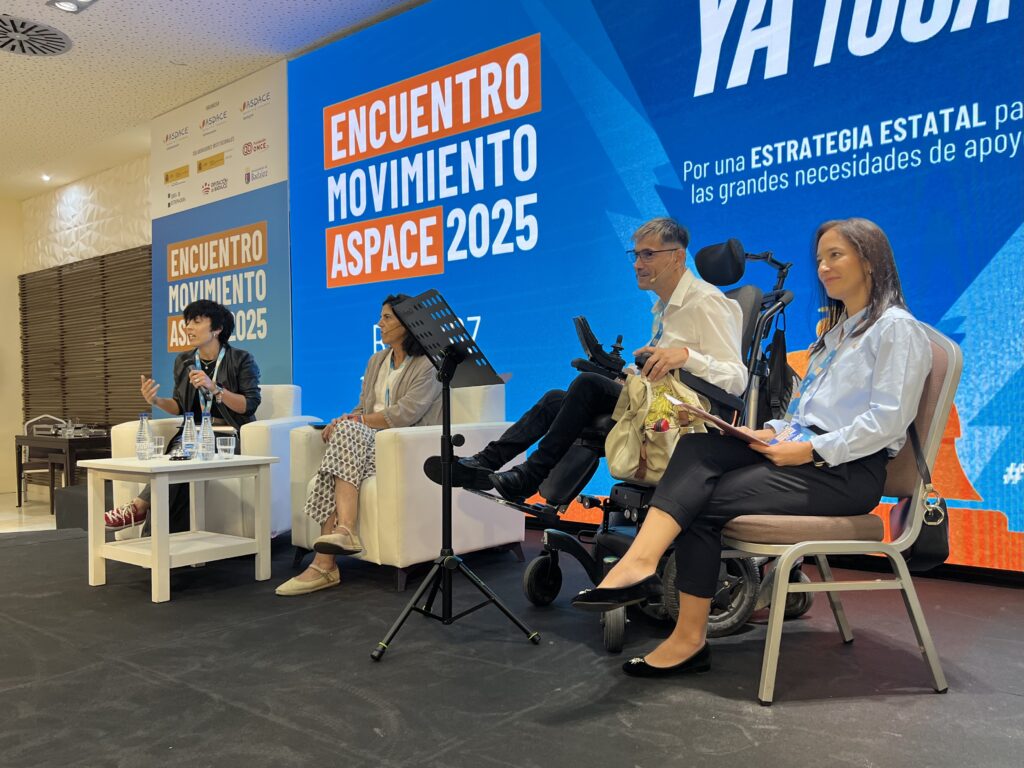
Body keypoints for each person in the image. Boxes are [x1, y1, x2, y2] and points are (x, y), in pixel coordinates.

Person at [572, 217, 932, 678]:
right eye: (819, 259)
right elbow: (808, 413)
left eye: (835, 256)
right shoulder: (837, 334)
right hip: (805, 451)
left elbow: (887, 421)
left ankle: (686, 638)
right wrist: (772, 431)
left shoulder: (897, 329)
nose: (823, 267)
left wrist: (811, 451)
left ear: (870, 260)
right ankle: (641, 564)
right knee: (699, 449)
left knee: (700, 502)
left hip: (846, 472)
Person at [456, 217, 747, 502]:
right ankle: (485, 461)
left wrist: (684, 356)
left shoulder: (707, 302)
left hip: (685, 417)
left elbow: (736, 379)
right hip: (655, 402)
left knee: (588, 385)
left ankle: (529, 476)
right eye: (636, 255)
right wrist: (629, 375)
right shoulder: (664, 308)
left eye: (648, 254)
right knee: (555, 399)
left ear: (677, 257)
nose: (637, 264)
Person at [276, 295, 442, 596]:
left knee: (340, 451)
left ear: (408, 323)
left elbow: (406, 413)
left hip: (402, 445)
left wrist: (356, 421)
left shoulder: (428, 364)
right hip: (366, 442)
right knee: (344, 437)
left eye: (387, 318)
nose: (380, 324)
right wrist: (346, 419)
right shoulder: (376, 360)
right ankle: (341, 536)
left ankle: (325, 564)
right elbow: (363, 406)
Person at [103, 299, 262, 533]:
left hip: (227, 435)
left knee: (181, 457)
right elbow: (178, 405)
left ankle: (139, 508)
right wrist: (156, 401)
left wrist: (214, 388)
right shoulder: (184, 361)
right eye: (187, 322)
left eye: (196, 322)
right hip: (191, 434)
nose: (188, 328)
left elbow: (249, 405)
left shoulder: (241, 359)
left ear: (217, 329)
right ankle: (158, 537)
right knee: (177, 464)